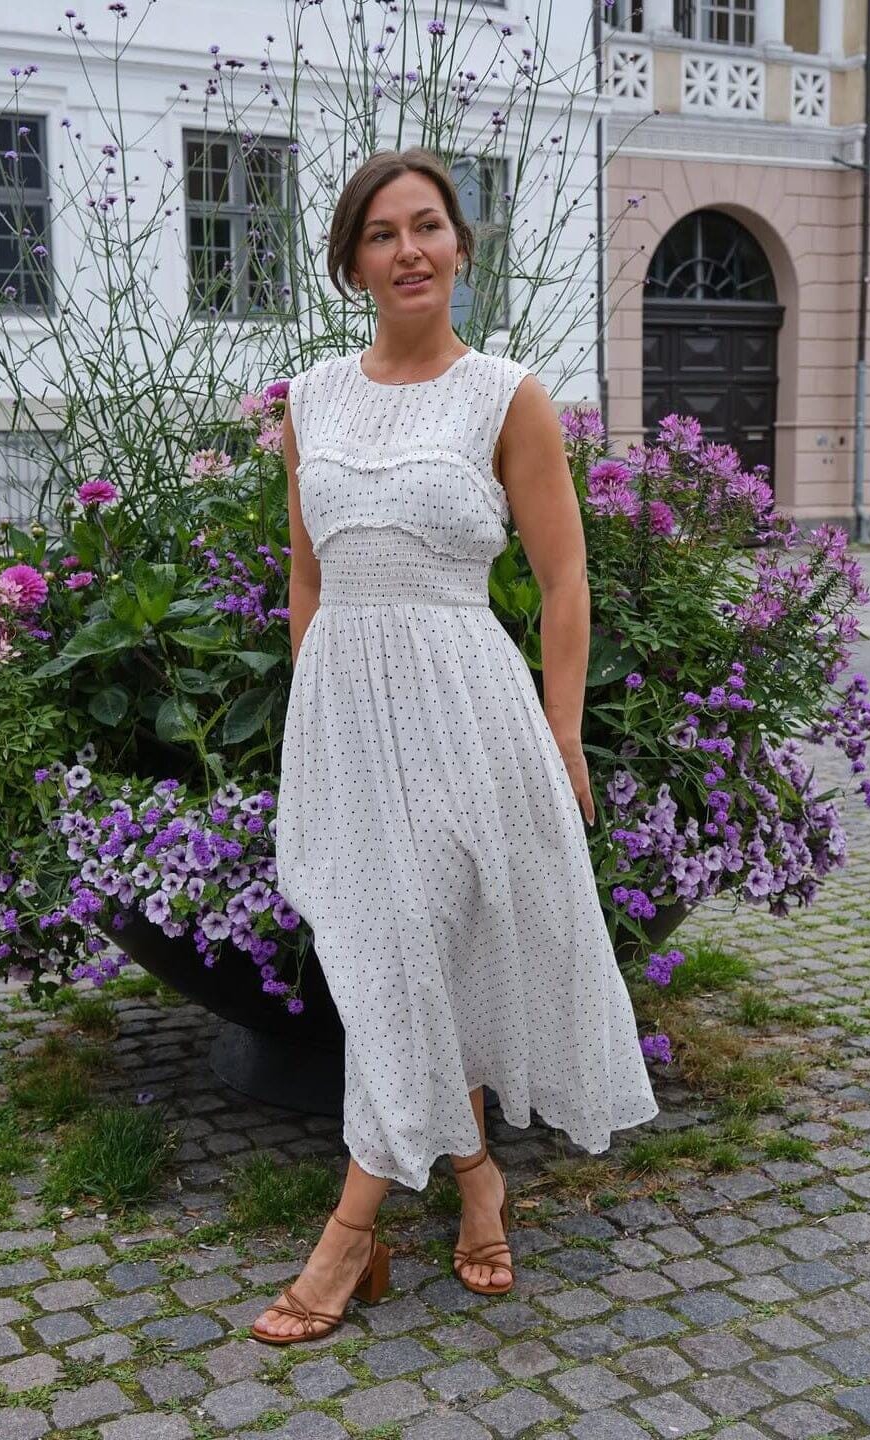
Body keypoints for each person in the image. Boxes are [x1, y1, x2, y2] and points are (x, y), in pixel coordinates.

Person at [254, 146, 658, 1345]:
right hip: (347, 719)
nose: (409, 250)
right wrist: (314, 712)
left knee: (424, 942)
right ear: (353, 263)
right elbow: (307, 575)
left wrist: (564, 733)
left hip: (465, 713)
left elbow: (566, 578)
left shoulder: (506, 395)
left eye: (428, 225)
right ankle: (477, 1183)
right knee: (390, 954)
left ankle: (347, 1238)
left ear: (461, 246)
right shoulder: (311, 399)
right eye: (382, 234)